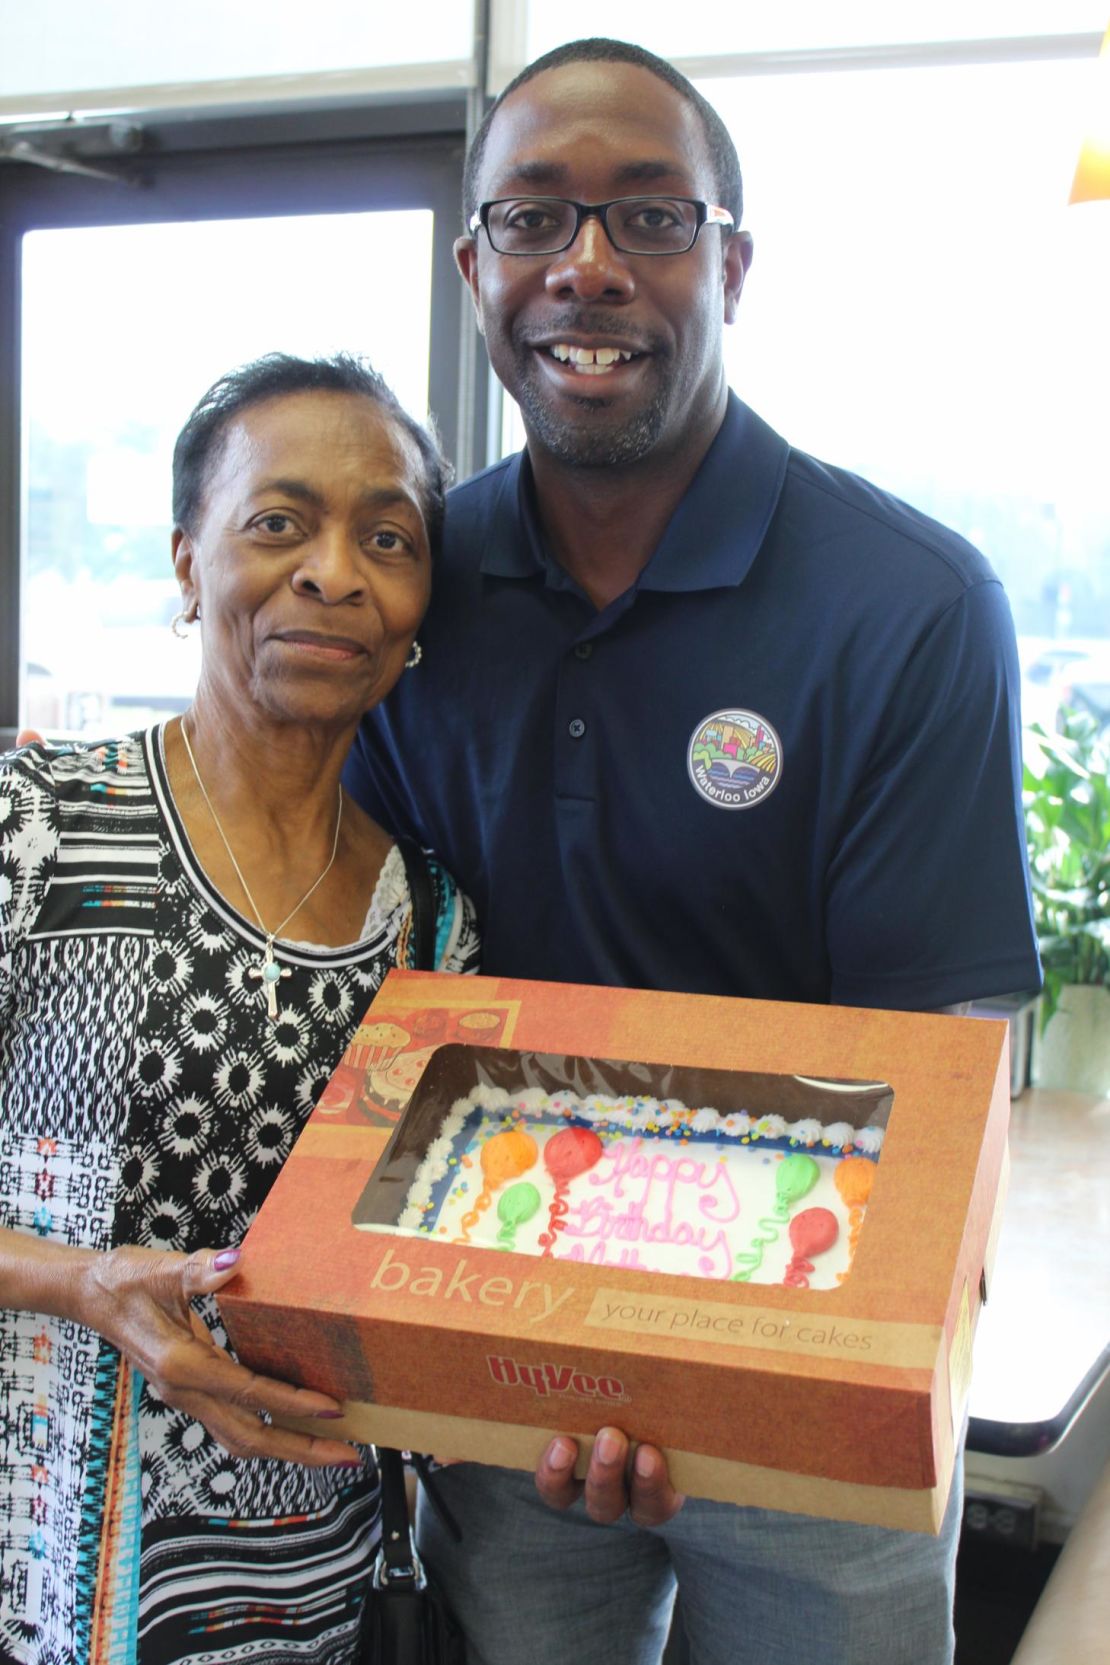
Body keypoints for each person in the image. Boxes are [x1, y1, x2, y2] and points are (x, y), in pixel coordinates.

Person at [344, 36, 1043, 1665]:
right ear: (475, 266)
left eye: (649, 221)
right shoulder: (411, 588)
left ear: (728, 261)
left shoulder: (905, 604)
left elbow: (933, 1061)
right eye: (533, 220)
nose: (586, 267)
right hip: (500, 1357)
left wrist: (691, 1355)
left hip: (805, 1365)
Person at [0, 353, 485, 1665]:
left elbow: (430, 1267)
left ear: (418, 605)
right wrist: (77, 1278)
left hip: (299, 1587)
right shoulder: (37, 823)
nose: (334, 571)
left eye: (386, 537)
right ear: (185, 560)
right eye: (279, 522)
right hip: (32, 1561)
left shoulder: (430, 923)